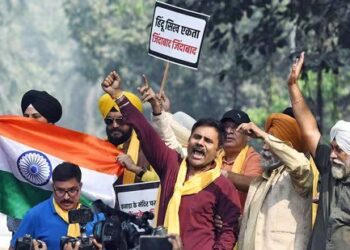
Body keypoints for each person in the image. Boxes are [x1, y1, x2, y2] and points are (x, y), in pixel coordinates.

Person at [101, 71, 241, 250]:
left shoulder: (223, 186)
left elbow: (230, 231)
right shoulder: (171, 164)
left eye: (208, 141)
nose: (200, 143)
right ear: (189, 140)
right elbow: (145, 131)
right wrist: (118, 95)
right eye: (196, 137)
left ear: (218, 151)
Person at [288, 52, 350, 250]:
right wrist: (292, 86)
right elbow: (309, 128)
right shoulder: (328, 166)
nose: (332, 155)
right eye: (331, 148)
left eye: (339, 150)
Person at [237, 114, 313, 250]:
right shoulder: (258, 183)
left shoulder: (298, 178)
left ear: (289, 147)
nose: (265, 147)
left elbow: (300, 164)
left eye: (272, 142)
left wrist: (262, 134)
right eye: (265, 142)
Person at [7, 89, 63, 234]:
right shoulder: (12, 145)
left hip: (53, 228)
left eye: (36, 117)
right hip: (20, 227)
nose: (29, 121)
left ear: (50, 122)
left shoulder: (63, 148)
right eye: (26, 116)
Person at [10, 162, 90, 250]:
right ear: (53, 187)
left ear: (80, 186)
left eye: (72, 190)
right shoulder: (35, 215)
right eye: (60, 191)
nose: (66, 197)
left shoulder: (94, 216)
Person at [98, 86, 158, 184]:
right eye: (109, 121)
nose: (115, 125)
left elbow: (164, 182)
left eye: (120, 120)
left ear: (131, 121)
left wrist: (135, 169)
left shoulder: (149, 147)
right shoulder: (99, 150)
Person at [218, 109, 263, 208]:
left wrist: (220, 174)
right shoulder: (214, 155)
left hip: (240, 219)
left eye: (236, 128)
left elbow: (254, 183)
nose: (229, 131)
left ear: (249, 136)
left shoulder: (254, 158)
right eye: (225, 128)